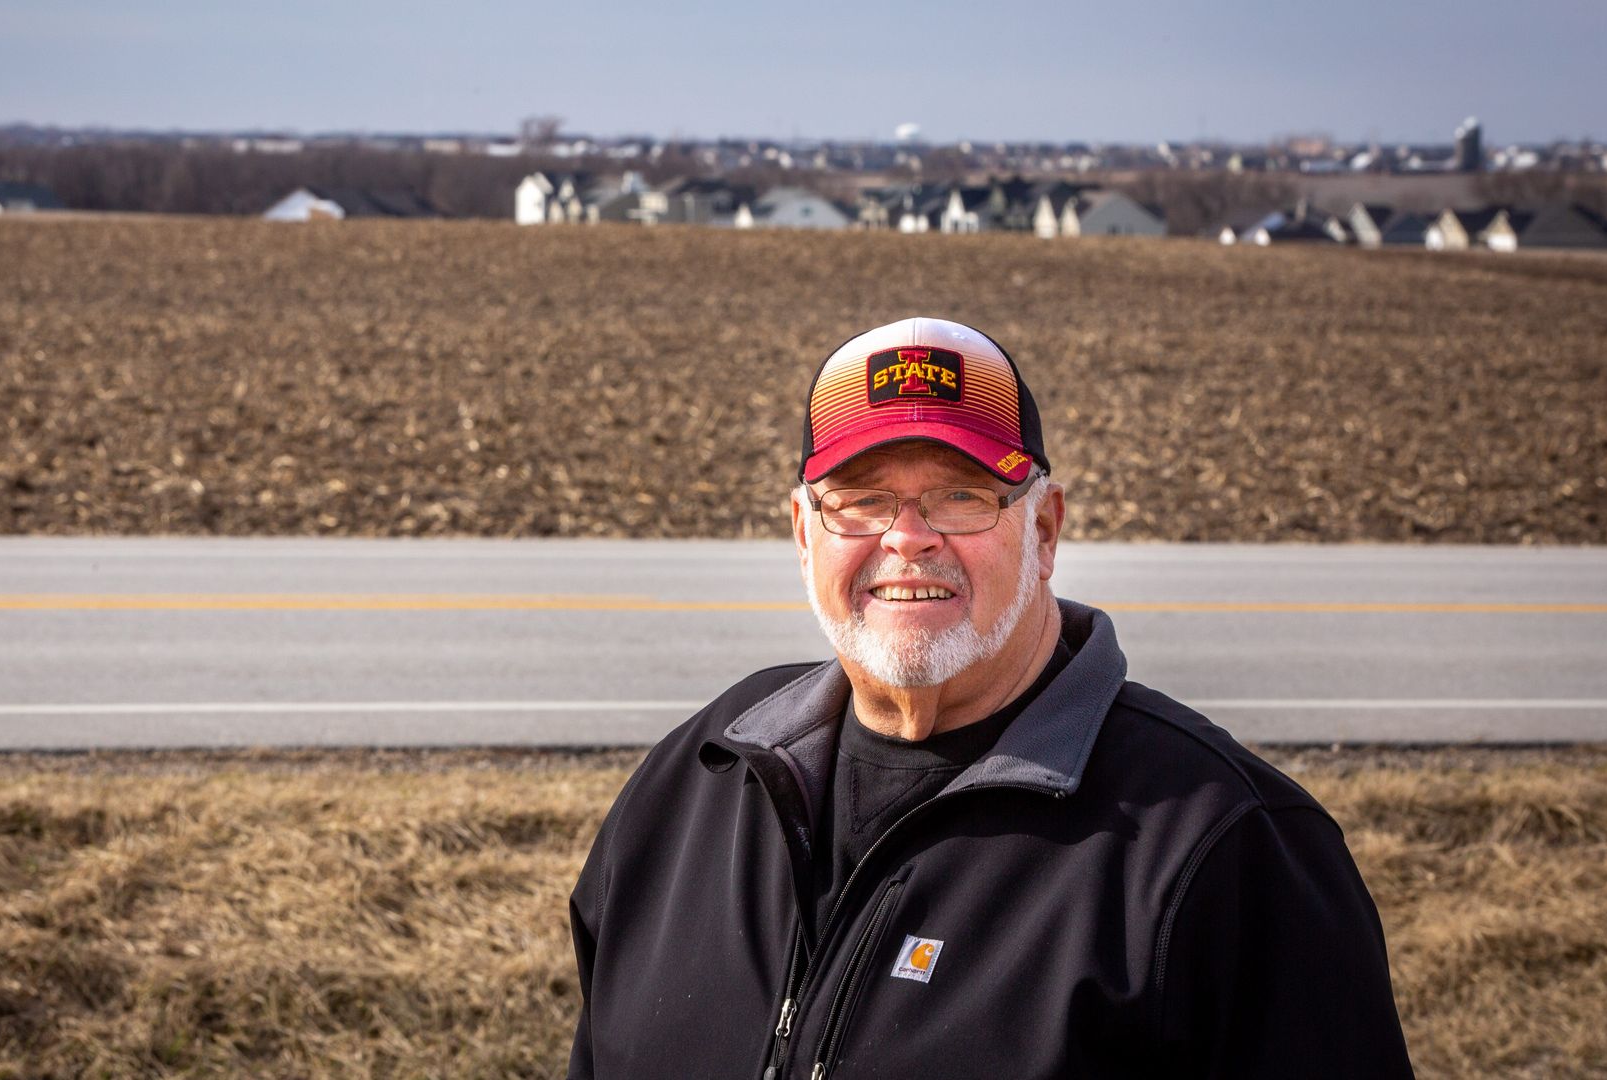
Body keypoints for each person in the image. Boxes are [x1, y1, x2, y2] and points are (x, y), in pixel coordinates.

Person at [566, 317, 1413, 1079]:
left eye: (960, 498)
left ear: (1043, 533)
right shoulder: (698, 781)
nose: (907, 538)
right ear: (802, 533)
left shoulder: (1220, 846)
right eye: (859, 502)